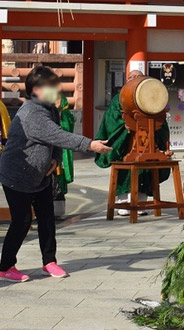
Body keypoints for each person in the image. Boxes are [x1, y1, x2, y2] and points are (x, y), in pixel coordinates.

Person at [0, 66, 112, 282]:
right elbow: (58, 135)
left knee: (47, 219)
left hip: (40, 174)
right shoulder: (32, 113)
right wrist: (90, 144)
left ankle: (49, 261)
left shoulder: (49, 108)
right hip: (17, 175)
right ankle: (5, 266)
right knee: (22, 221)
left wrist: (56, 159)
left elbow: (55, 141)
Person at [94, 70, 171, 216]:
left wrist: (151, 130)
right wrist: (127, 129)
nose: (135, 79)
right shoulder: (119, 99)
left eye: (138, 77)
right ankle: (124, 203)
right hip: (127, 144)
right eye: (131, 77)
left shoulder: (150, 97)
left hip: (148, 143)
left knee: (145, 171)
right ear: (126, 80)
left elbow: (161, 123)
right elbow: (112, 121)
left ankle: (141, 203)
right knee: (127, 167)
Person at [53, 93, 75, 218]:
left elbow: (67, 127)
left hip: (61, 148)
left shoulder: (65, 110)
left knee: (59, 178)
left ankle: (58, 209)